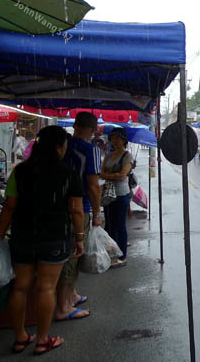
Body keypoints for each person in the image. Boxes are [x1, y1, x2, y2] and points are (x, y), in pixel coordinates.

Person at [0, 126, 84, 355]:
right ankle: (43, 340)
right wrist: (80, 238)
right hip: (55, 237)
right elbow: (76, 210)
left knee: (20, 288)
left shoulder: (20, 171)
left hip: (22, 236)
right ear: (58, 147)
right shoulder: (69, 173)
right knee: (46, 288)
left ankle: (20, 338)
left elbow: (9, 206)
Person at [55, 112, 102, 321]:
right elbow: (93, 185)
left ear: (75, 126)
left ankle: (71, 295)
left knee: (69, 252)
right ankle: (63, 307)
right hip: (79, 207)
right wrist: (97, 211)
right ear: (93, 130)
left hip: (57, 205)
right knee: (74, 254)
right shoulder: (90, 150)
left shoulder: (62, 146)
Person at [101, 128, 133, 267]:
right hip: (108, 193)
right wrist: (113, 175)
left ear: (124, 140)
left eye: (118, 138)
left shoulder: (127, 156)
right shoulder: (109, 155)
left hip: (121, 194)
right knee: (109, 224)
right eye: (113, 138)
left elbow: (123, 175)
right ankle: (112, 253)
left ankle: (122, 256)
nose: (115, 141)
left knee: (119, 225)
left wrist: (108, 175)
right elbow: (101, 172)